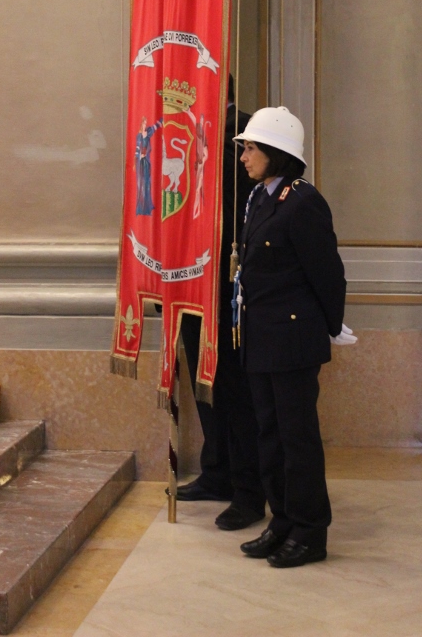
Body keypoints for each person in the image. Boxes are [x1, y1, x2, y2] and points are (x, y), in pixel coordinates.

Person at [233, 106, 346, 568]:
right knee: (270, 434)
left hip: (293, 340)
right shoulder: (260, 198)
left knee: (298, 439)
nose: (244, 157)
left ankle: (309, 531)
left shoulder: (302, 202)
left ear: (276, 152)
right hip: (261, 337)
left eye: (251, 148)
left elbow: (327, 273)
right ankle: (282, 522)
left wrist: (332, 326)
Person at [178, 76, 266, 531]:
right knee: (204, 383)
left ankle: (246, 483)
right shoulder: (184, 132)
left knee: (234, 388)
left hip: (228, 286)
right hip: (191, 282)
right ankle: (217, 470)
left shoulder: (245, 135)